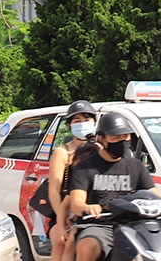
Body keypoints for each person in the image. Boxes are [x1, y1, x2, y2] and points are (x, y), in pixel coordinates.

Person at [67, 112, 161, 261]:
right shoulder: (85, 167)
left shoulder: (136, 166)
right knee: (87, 246)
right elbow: (76, 203)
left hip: (136, 225)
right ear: (102, 138)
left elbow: (154, 195)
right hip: (100, 225)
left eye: (126, 136)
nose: (122, 140)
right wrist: (89, 208)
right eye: (116, 137)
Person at [48, 100, 98, 261]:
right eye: (77, 121)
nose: (82, 124)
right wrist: (62, 220)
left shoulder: (101, 149)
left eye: (86, 119)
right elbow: (54, 190)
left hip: (94, 211)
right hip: (66, 209)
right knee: (61, 241)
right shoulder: (62, 152)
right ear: (69, 126)